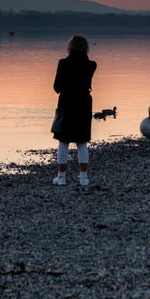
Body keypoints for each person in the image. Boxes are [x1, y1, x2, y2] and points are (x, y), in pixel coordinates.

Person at [52, 35, 97, 187]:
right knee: (81, 141)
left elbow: (57, 87)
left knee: (63, 141)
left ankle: (61, 177)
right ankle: (83, 178)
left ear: (70, 46)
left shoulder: (63, 63)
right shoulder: (92, 65)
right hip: (84, 104)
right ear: (86, 47)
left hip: (67, 103)